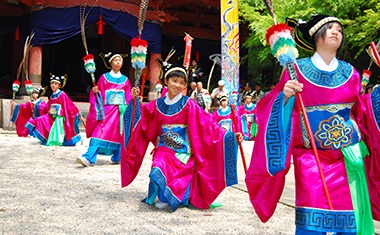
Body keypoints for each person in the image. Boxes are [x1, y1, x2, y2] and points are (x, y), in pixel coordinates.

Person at [245, 15, 380, 235]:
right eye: (330, 28)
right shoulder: (296, 69)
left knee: (349, 223)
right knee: (310, 223)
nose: (337, 32)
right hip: (311, 158)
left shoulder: (351, 73)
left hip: (348, 158)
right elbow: (271, 104)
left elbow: (362, 111)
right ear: (317, 35)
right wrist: (285, 96)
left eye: (339, 29)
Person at [120, 58, 242, 211]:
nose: (177, 85)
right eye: (174, 80)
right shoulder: (157, 105)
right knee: (159, 163)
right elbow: (141, 121)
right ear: (166, 81)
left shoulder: (189, 104)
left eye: (181, 82)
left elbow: (208, 125)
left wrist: (229, 137)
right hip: (164, 148)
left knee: (177, 170)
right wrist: (135, 101)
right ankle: (165, 196)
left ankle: (175, 197)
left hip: (183, 152)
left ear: (185, 85)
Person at [76, 52, 132, 167]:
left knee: (120, 134)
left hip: (120, 112)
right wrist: (95, 92)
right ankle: (89, 157)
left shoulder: (126, 80)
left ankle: (118, 156)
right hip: (106, 110)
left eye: (120, 60)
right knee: (99, 132)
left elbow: (128, 96)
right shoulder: (104, 77)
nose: (118, 62)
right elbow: (99, 94)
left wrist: (133, 101)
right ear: (110, 63)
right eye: (115, 60)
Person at [26, 75, 84, 146]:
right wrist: (37, 106)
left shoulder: (62, 94)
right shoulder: (52, 96)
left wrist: (78, 114)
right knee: (39, 120)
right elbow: (46, 107)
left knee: (66, 128)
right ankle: (43, 139)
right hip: (51, 116)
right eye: (52, 84)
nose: (53, 85)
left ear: (59, 86)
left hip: (60, 117)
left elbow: (70, 105)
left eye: (55, 84)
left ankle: (76, 140)